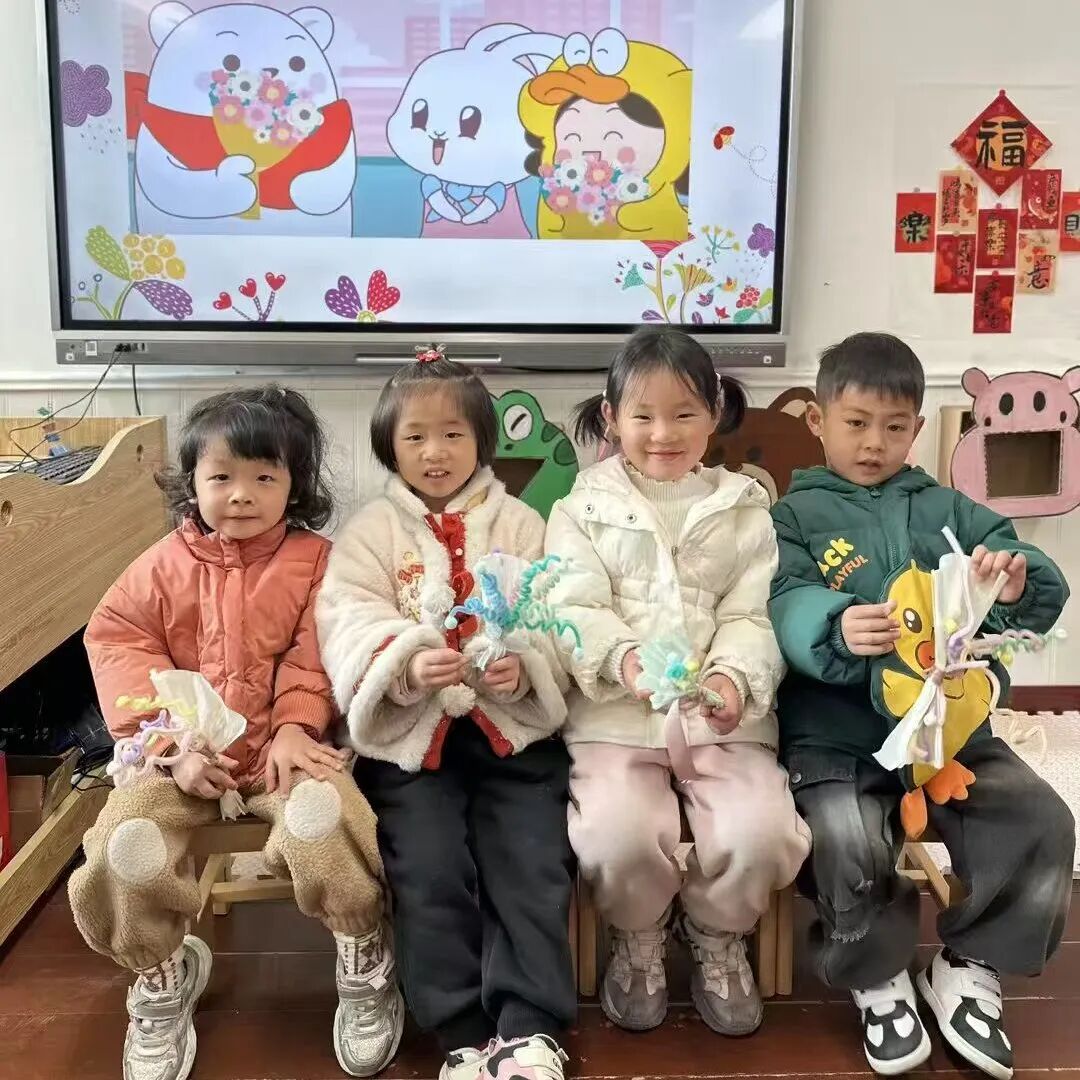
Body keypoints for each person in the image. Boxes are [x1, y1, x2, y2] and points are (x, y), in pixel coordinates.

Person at [69, 387, 401, 1080]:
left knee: (326, 819)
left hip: (287, 752)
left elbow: (319, 651)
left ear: (295, 485)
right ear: (191, 482)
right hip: (183, 762)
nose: (241, 494)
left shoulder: (320, 563)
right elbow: (119, 642)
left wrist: (294, 727)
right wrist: (171, 746)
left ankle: (362, 947)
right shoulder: (158, 568)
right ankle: (161, 972)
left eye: (264, 477)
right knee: (124, 842)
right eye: (221, 476)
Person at [769, 332, 1074, 1079]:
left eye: (896, 426)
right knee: (845, 837)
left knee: (1041, 819)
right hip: (837, 735)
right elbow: (780, 597)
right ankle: (875, 974)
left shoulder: (949, 508)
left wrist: (1014, 580)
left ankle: (970, 963)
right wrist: (831, 623)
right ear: (818, 420)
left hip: (950, 733)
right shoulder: (791, 516)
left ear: (918, 426)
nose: (875, 443)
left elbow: (1023, 575)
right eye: (856, 423)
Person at [544, 325, 811, 1036]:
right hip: (615, 721)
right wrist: (622, 660)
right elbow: (571, 607)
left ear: (715, 413)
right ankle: (638, 936)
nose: (663, 434)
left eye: (684, 413)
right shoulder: (579, 509)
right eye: (644, 415)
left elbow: (753, 612)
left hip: (723, 721)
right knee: (615, 834)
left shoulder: (745, 508)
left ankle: (717, 934)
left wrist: (733, 678)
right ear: (612, 418)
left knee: (762, 832)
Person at [317, 349, 575, 1080]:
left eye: (453, 434)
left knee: (531, 860)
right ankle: (460, 1031)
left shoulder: (521, 523)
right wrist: (402, 665)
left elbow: (556, 614)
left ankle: (530, 1029)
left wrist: (524, 667)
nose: (435, 452)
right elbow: (345, 621)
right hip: (411, 745)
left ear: (482, 441)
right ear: (390, 445)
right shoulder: (370, 532)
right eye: (416, 437)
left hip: (513, 737)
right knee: (427, 867)